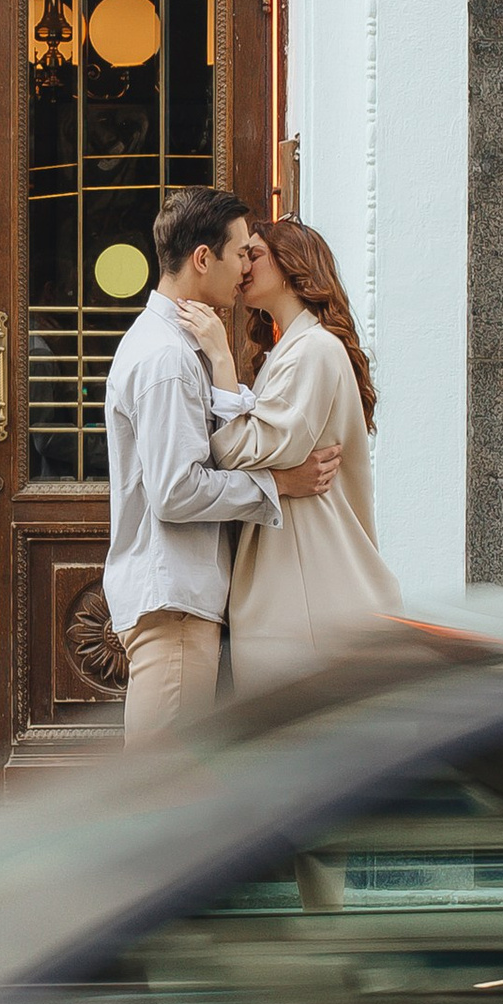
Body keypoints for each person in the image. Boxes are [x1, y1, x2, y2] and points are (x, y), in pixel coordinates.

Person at [102, 184, 342, 741]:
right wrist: (278, 484)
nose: (244, 268)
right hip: (175, 601)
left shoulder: (172, 345)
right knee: (161, 785)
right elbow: (176, 491)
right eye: (239, 253)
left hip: (179, 597)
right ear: (202, 258)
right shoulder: (165, 357)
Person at [204, 214, 402, 695]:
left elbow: (242, 448)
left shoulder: (313, 349)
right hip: (298, 578)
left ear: (293, 265)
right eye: (242, 254)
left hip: (307, 585)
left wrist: (221, 362)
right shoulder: (290, 352)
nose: (244, 265)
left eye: (255, 253)